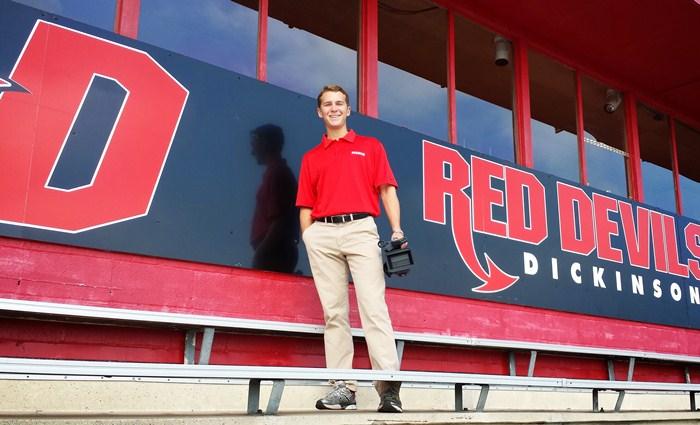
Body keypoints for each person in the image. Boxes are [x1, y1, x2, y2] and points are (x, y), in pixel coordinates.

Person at [296, 84, 406, 413]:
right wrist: (309, 237)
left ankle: (388, 389)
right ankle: (343, 387)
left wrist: (397, 230)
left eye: (339, 103)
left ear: (348, 110)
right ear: (319, 112)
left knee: (374, 309)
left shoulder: (370, 147)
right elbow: (305, 205)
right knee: (334, 314)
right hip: (323, 232)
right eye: (327, 104)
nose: (333, 108)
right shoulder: (311, 158)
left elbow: (387, 192)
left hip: (360, 229)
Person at [249, 124, 299, 273]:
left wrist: (260, 255)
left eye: (254, 146)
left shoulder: (277, 174)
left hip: (274, 254)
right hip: (273, 252)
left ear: (265, 144)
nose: (252, 152)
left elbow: (280, 223)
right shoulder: (276, 173)